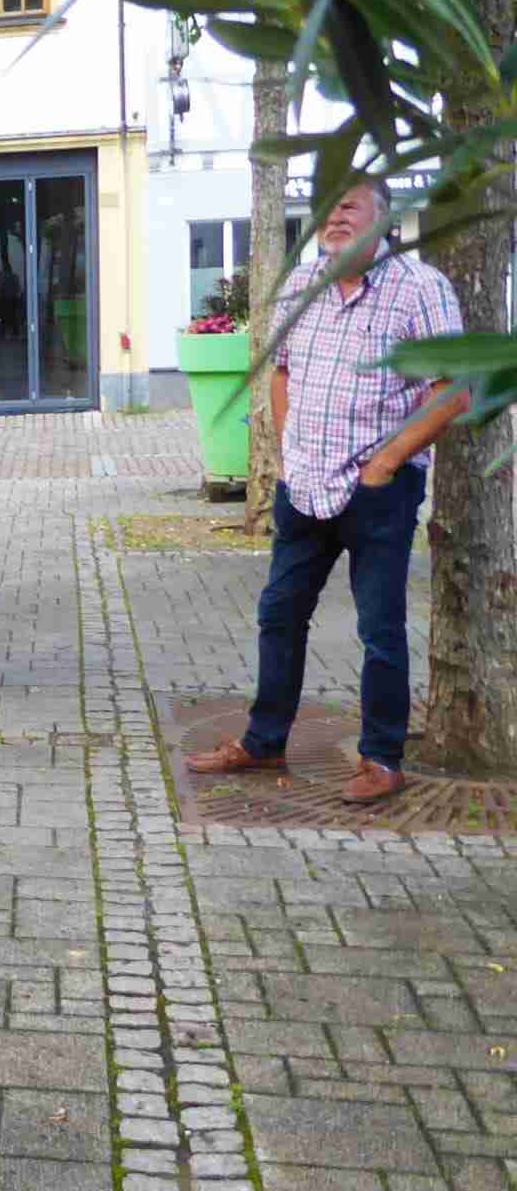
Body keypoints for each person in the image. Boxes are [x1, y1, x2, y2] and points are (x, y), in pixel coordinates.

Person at [185, 179, 467, 805]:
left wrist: (385, 464)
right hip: (304, 485)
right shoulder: (301, 283)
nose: (334, 217)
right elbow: (283, 372)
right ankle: (264, 741)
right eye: (327, 207)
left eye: (349, 206)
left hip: (379, 490)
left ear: (382, 220)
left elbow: (453, 392)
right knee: (279, 614)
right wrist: (291, 453)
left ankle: (382, 759)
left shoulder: (420, 288)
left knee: (380, 630)